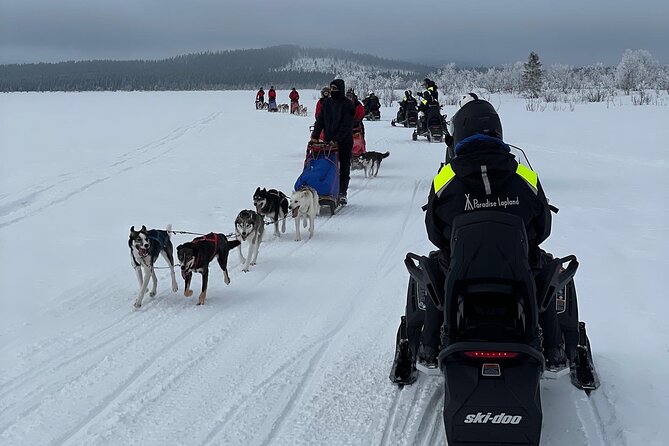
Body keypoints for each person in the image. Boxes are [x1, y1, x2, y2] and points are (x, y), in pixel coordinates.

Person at [402, 97, 564, 371]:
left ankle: (428, 345)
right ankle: (555, 348)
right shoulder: (525, 176)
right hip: (517, 272)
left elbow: (434, 231)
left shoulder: (445, 179)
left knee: (430, 265)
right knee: (549, 267)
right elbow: (544, 226)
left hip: (461, 273)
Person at [310, 79, 354, 205]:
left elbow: (347, 125)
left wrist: (337, 140)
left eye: (335, 89)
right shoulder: (327, 103)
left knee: (344, 167)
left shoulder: (347, 104)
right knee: (328, 165)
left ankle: (342, 192)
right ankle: (327, 189)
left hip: (344, 141)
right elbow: (320, 120)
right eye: (331, 89)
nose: (333, 91)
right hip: (328, 141)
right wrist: (315, 135)